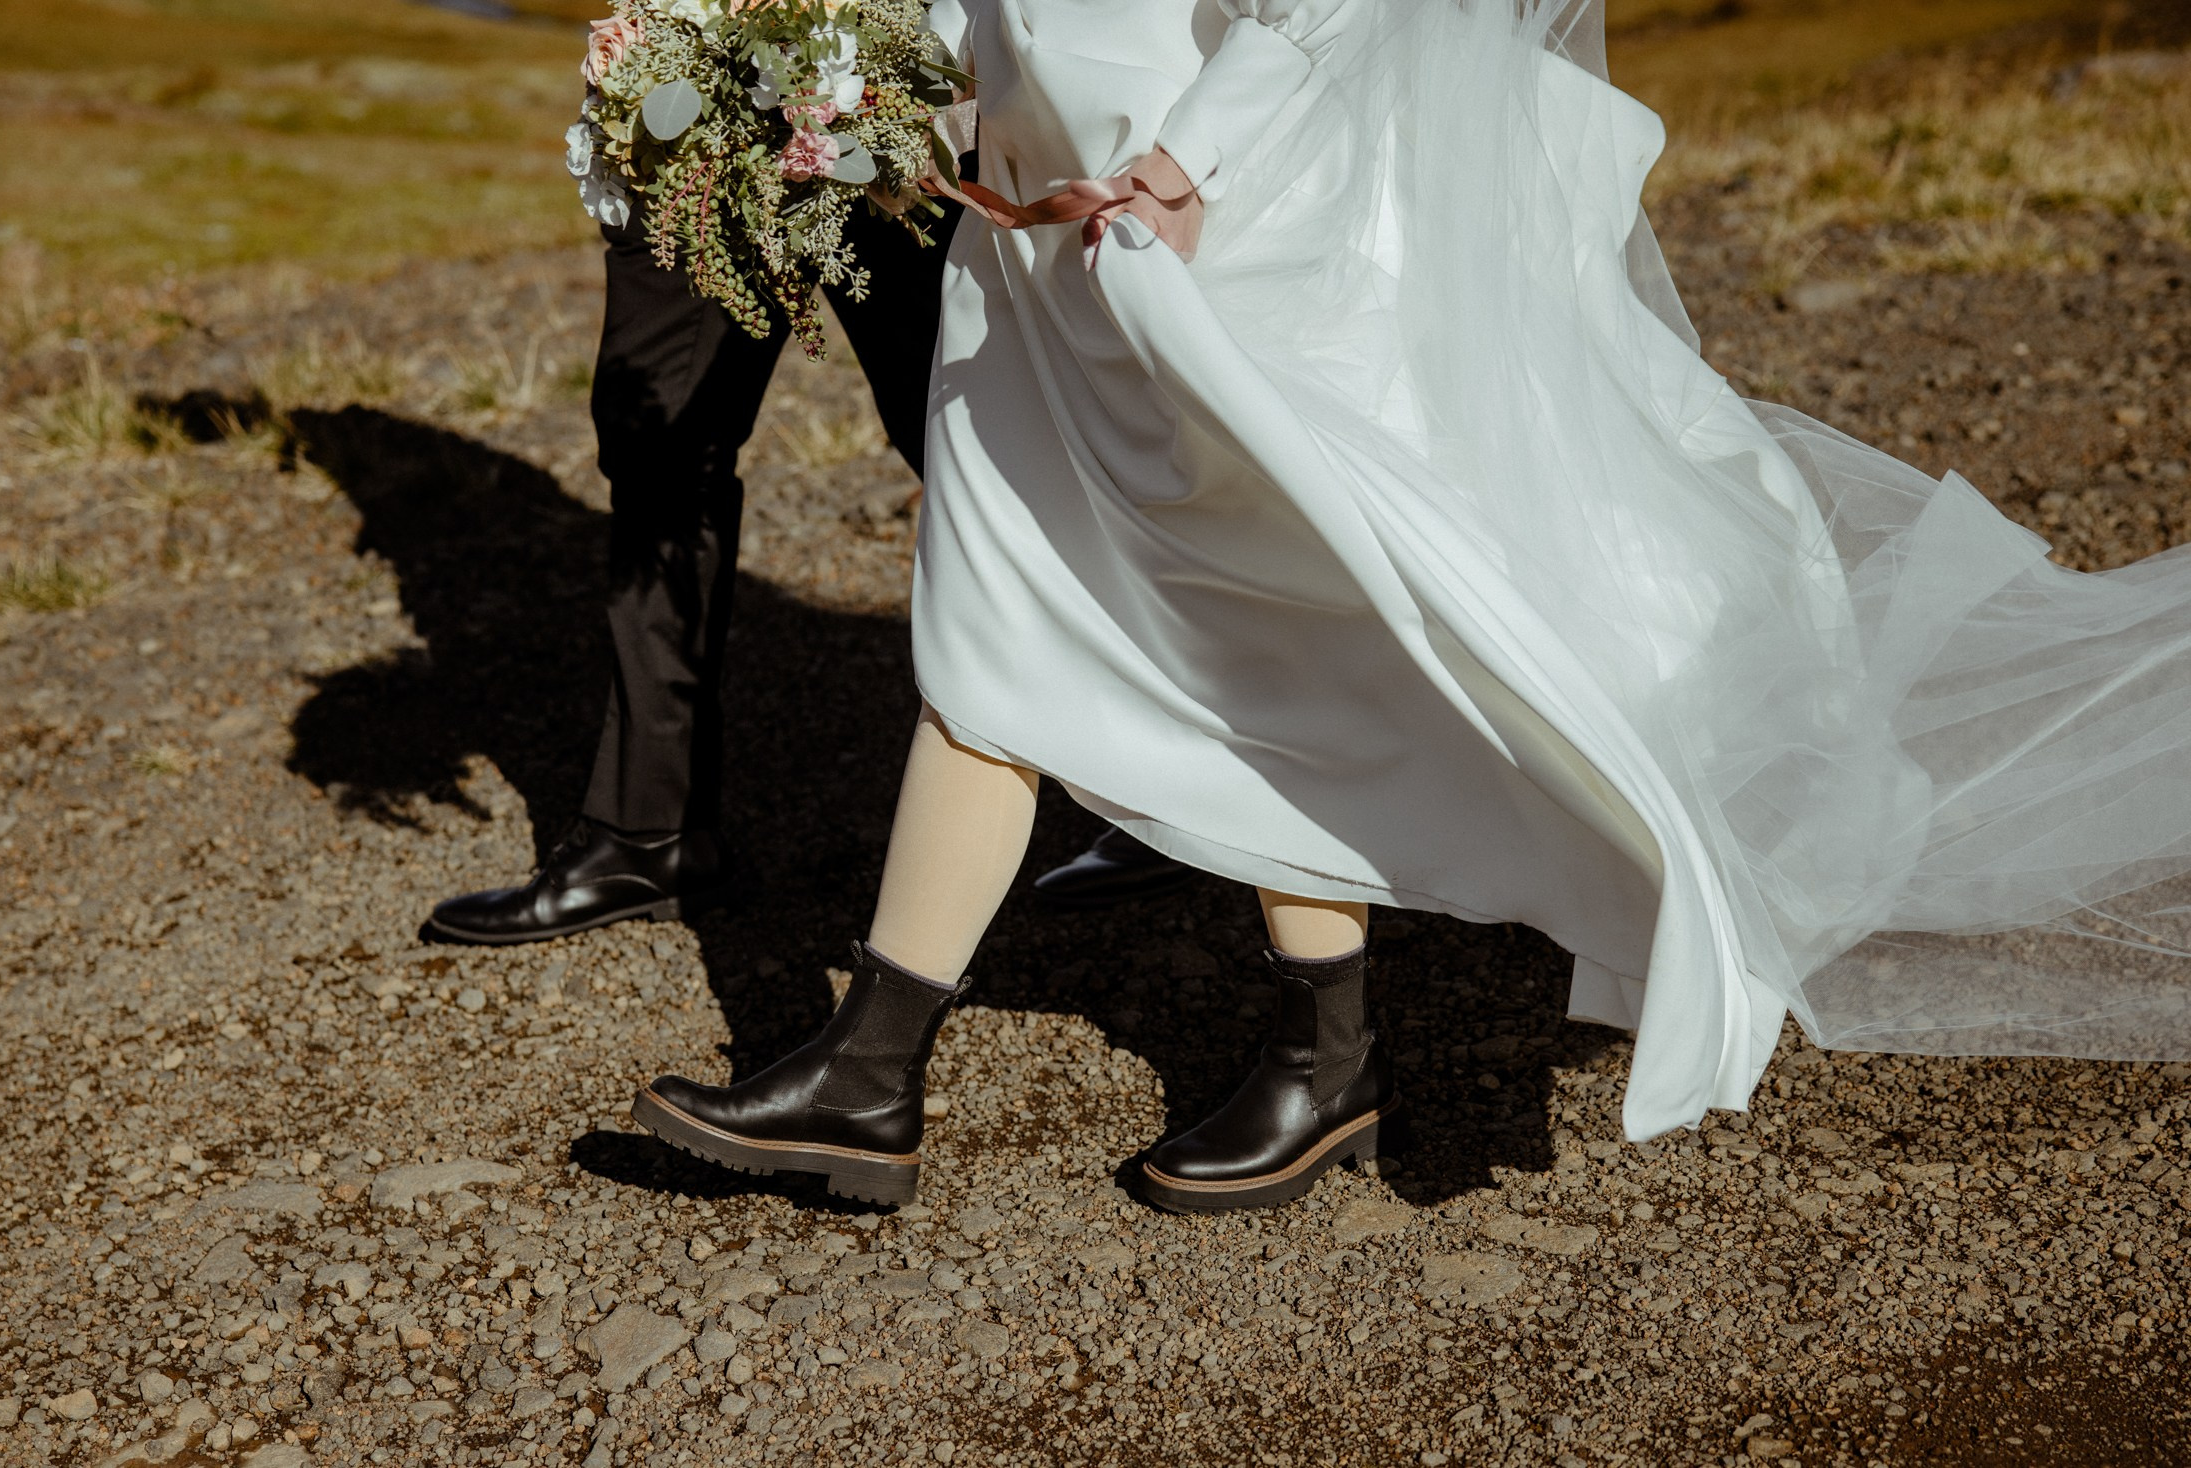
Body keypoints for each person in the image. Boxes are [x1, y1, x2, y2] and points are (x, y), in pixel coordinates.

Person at [632, 0, 2191, 1211]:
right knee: (993, 625)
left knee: (1275, 640)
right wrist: (843, 83)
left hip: (1187, 238)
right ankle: (875, 1071)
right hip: (1033, 254)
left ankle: (1321, 1055)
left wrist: (1193, 163)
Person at [426, 176, 1196, 945]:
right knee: (658, 438)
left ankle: (1179, 780)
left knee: (972, 420)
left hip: (891, 133)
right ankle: (646, 827)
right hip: (698, 145)